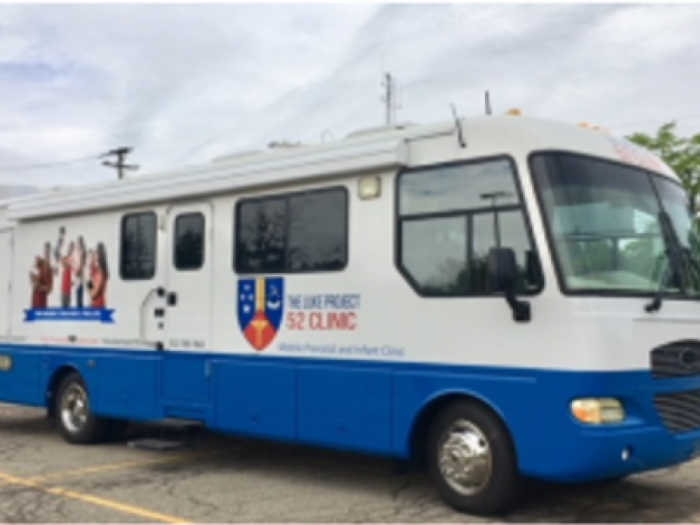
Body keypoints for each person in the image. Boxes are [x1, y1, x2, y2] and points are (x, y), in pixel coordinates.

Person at [90, 243, 108, 309]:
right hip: (97, 304)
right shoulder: (99, 270)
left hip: (98, 305)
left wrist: (88, 282)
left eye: (95, 253)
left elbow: (93, 294)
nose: (93, 255)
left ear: (100, 255)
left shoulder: (100, 272)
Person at [60, 241, 74, 308]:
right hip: (64, 289)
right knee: (64, 306)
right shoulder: (66, 258)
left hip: (68, 290)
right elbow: (62, 260)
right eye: (70, 247)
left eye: (72, 247)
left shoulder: (73, 259)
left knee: (67, 307)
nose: (70, 249)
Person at [74, 236, 87, 308]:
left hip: (80, 276)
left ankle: (80, 309)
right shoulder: (79, 252)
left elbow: (81, 265)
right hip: (79, 275)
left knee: (79, 295)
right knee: (79, 295)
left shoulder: (82, 252)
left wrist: (78, 272)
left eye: (78, 242)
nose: (77, 244)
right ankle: (79, 308)